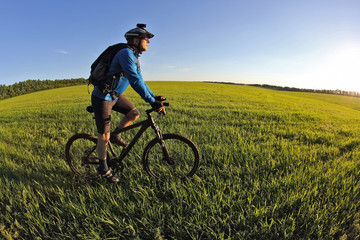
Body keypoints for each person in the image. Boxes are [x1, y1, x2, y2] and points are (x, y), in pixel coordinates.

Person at [91, 24, 166, 183]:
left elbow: (141, 80)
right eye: (146, 39)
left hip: (115, 96)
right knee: (104, 136)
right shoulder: (125, 53)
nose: (148, 42)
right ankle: (103, 169)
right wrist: (152, 102)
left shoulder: (134, 57)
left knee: (134, 113)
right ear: (135, 39)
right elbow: (134, 81)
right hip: (102, 98)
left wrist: (154, 97)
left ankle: (116, 135)